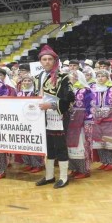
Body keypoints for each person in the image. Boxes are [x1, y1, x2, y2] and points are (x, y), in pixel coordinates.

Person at [34, 45, 75, 188]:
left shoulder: (63, 77)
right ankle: (49, 175)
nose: (46, 62)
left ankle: (63, 177)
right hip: (41, 116)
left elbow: (70, 98)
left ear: (55, 60)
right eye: (44, 59)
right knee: (48, 146)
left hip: (58, 115)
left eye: (49, 59)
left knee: (60, 146)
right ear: (40, 62)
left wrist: (50, 106)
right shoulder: (38, 77)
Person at [90, 69, 112, 172]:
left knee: (110, 142)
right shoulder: (92, 88)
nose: (100, 78)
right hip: (97, 120)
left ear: (107, 78)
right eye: (98, 76)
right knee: (99, 142)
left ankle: (111, 162)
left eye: (103, 76)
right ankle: (104, 161)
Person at [66, 70, 93, 179]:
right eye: (71, 76)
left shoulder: (86, 91)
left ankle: (83, 170)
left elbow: (90, 107)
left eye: (74, 76)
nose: (72, 78)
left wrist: (88, 121)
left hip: (81, 122)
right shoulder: (69, 90)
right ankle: (74, 168)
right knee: (70, 146)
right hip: (70, 121)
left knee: (81, 145)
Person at [17, 74, 44, 173]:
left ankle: (38, 164)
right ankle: (28, 163)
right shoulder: (19, 94)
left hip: (34, 121)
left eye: (29, 80)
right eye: (25, 80)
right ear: (22, 82)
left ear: (32, 82)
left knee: (34, 142)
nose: (27, 82)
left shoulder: (36, 93)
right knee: (24, 142)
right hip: (22, 122)